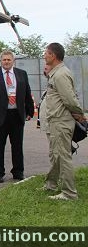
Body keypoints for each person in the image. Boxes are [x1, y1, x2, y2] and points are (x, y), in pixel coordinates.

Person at [41, 43, 87, 200]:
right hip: (56, 121)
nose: (44, 56)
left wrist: (80, 114)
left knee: (63, 156)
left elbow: (69, 99)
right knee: (56, 154)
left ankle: (69, 193)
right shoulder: (57, 73)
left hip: (61, 121)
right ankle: (51, 184)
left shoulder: (60, 75)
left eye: (46, 53)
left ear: (53, 56)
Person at [0, 50, 34, 183]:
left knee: (17, 146)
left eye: (9, 60)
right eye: (4, 60)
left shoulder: (21, 74)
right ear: (1, 61)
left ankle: (18, 171)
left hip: (16, 115)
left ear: (13, 61)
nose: (6, 62)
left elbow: (27, 93)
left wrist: (29, 111)